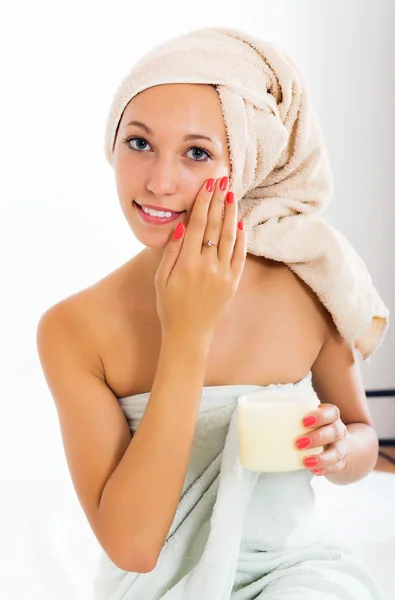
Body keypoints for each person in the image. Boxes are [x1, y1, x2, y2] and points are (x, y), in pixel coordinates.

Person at [36, 27, 388, 599]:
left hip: (293, 572)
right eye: (139, 142)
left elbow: (362, 438)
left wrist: (341, 450)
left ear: (248, 164)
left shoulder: (308, 281)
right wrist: (187, 333)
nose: (159, 180)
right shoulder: (75, 328)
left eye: (197, 153)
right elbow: (133, 548)